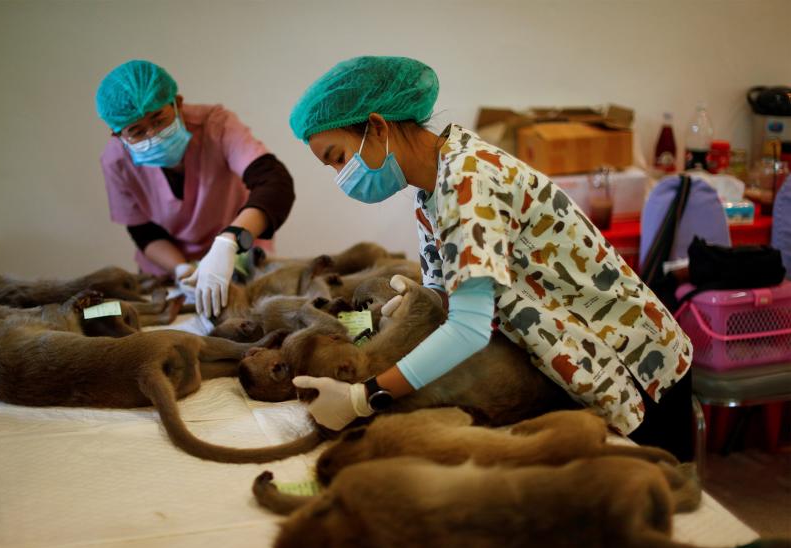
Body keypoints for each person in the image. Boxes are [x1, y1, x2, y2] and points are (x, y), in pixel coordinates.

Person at [288, 56, 695, 461]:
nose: (342, 175)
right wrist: (424, 299)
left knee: (661, 497)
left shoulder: (469, 181)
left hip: (632, 360)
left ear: (377, 126)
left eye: (339, 158)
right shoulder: (432, 190)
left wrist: (365, 396)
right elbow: (455, 291)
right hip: (577, 353)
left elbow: (469, 328)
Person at [95, 60, 296, 317]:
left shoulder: (217, 126)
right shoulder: (116, 160)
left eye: (159, 120)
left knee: (248, 318)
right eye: (136, 132)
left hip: (239, 254)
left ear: (177, 103)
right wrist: (181, 269)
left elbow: (274, 182)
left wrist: (228, 244)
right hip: (167, 270)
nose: (153, 136)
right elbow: (142, 229)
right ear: (118, 135)